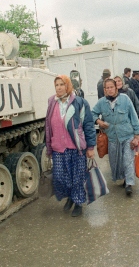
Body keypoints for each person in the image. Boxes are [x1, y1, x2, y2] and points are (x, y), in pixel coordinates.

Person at [45, 75, 96, 217]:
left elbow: (88, 125)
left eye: (62, 84)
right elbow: (48, 127)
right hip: (58, 148)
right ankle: (70, 197)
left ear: (67, 86)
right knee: (61, 177)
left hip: (76, 147)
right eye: (56, 85)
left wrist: (90, 147)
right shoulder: (51, 102)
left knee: (77, 177)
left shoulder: (79, 102)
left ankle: (78, 202)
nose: (59, 87)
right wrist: (48, 146)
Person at [92, 79, 139, 196]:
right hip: (112, 137)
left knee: (128, 159)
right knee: (116, 161)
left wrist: (137, 136)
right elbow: (92, 113)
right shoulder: (101, 102)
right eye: (107, 88)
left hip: (127, 135)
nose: (109, 89)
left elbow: (133, 116)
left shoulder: (125, 99)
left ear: (116, 88)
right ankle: (124, 178)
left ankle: (129, 184)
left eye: (111, 87)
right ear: (104, 90)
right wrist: (99, 121)